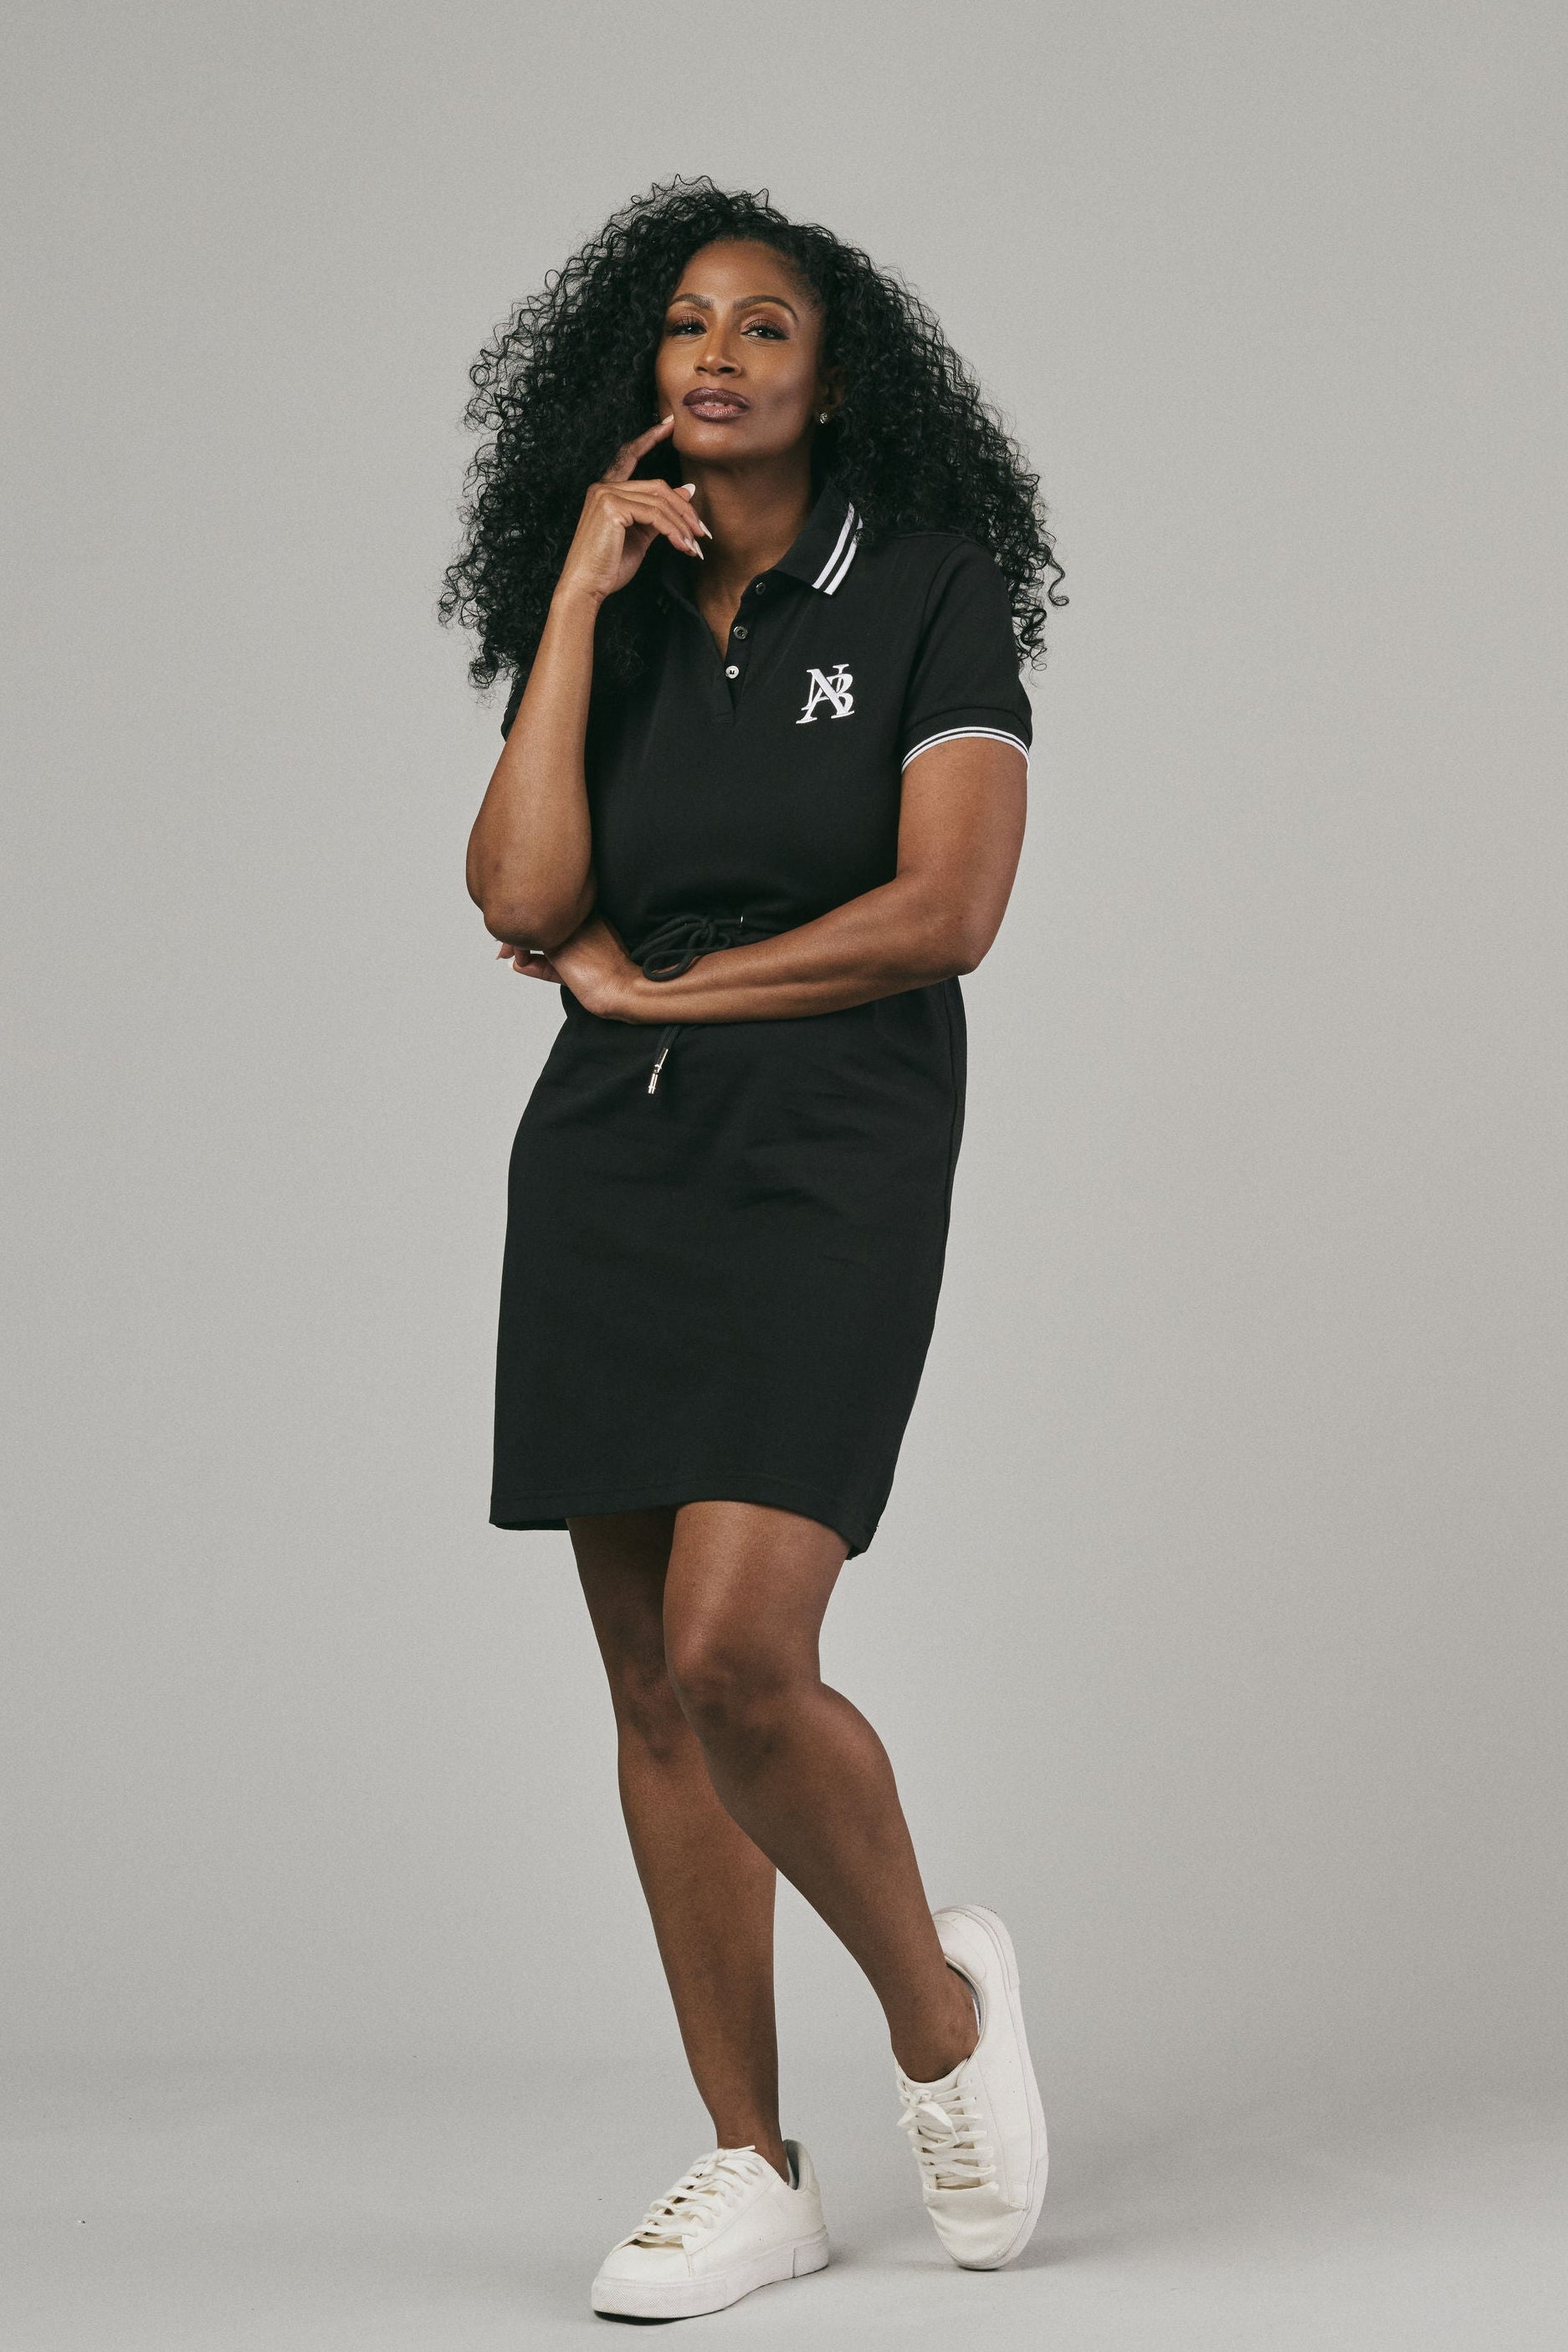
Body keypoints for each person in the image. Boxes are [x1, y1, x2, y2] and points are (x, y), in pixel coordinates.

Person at [441, 177, 1065, 2322]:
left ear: (832, 376)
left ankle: (938, 2021)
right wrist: (570, 600)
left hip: (835, 1135)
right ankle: (749, 2160)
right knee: (644, 1681)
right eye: (685, 324)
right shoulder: (619, 600)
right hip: (607, 1154)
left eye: (764, 325)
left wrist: (678, 989)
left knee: (735, 1652)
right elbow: (522, 898)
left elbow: (947, 910)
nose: (715, 353)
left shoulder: (928, 585)